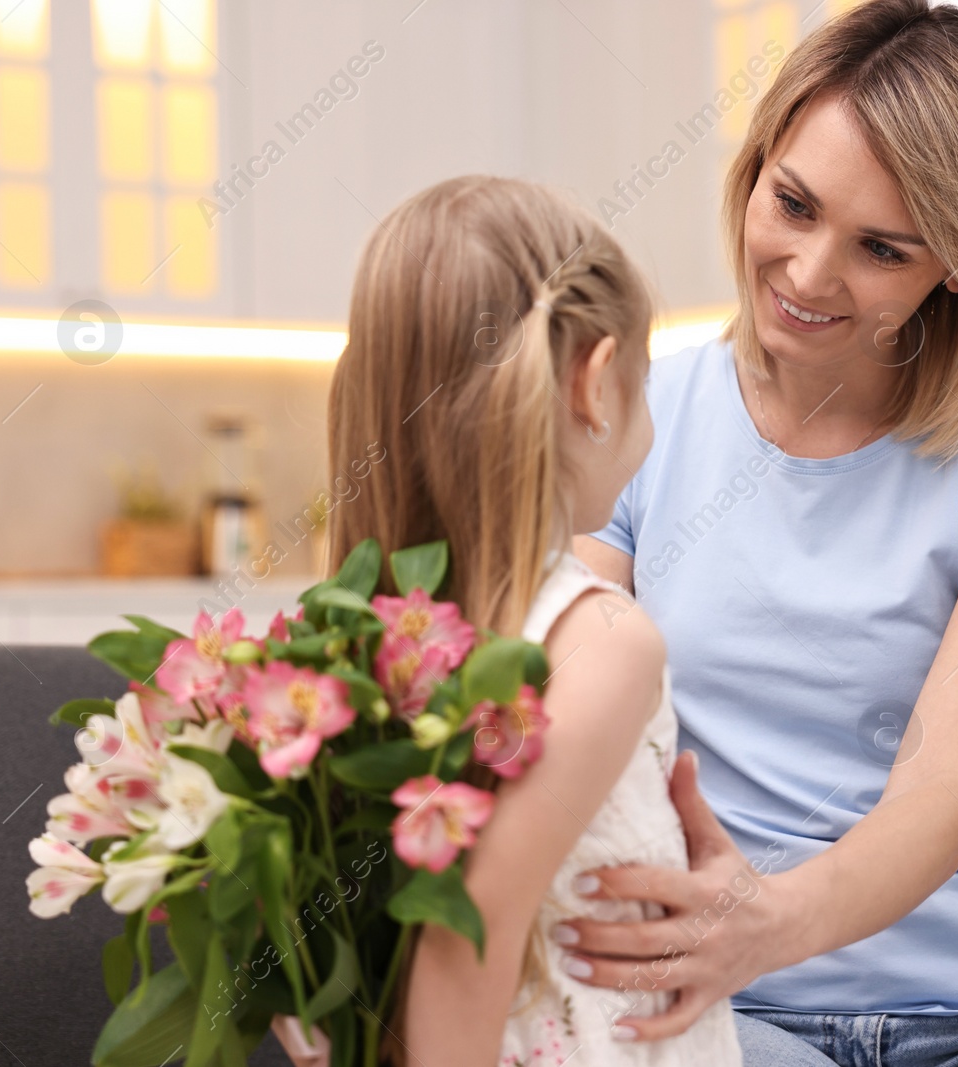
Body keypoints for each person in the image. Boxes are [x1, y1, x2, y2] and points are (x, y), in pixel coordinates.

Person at [559, 1, 958, 1063]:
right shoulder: (632, 418)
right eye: (791, 203)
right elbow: (561, 706)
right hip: (734, 1006)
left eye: (881, 248)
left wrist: (769, 922)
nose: (806, 274)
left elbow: (939, 790)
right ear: (753, 169)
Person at [297, 175, 744, 1066]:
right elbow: (466, 943)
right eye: (645, 383)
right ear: (595, 383)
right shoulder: (601, 641)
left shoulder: (372, 645)